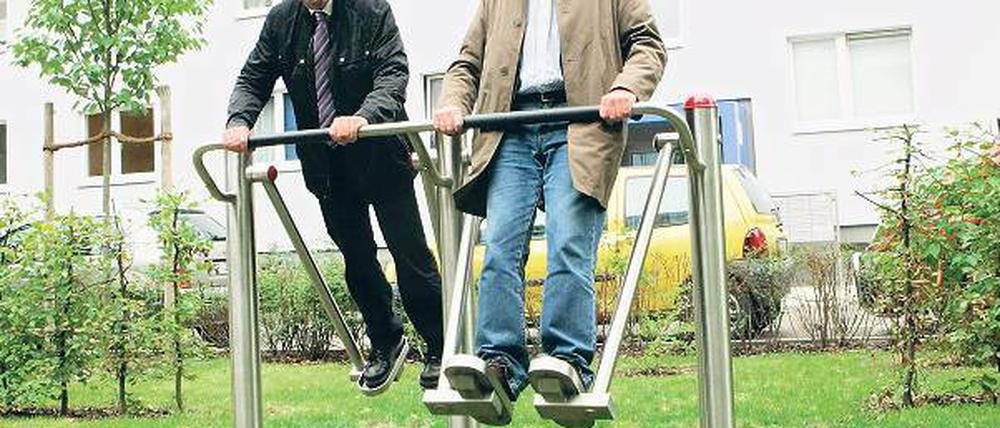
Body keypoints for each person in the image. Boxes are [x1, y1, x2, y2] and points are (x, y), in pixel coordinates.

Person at [433, 0, 666, 414]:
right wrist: (454, 102)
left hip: (580, 122)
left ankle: (568, 360)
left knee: (568, 244)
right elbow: (466, 63)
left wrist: (625, 87)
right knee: (500, 249)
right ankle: (500, 362)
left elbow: (647, 43)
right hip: (510, 126)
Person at [223, 0, 444, 392]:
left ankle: (439, 345)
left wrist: (363, 117)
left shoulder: (371, 11)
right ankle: (386, 342)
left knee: (408, 253)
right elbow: (253, 77)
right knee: (357, 259)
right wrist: (240, 120)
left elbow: (393, 76)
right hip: (329, 168)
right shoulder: (282, 21)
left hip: (381, 154)